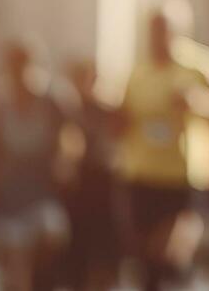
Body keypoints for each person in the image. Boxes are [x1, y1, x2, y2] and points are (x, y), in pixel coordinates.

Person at [115, 1, 209, 291]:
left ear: (180, 30)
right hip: (140, 176)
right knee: (146, 264)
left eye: (164, 28)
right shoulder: (139, 70)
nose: (158, 36)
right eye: (153, 29)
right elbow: (123, 120)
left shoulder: (203, 64)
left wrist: (200, 103)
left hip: (184, 180)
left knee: (171, 256)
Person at [0, 39, 71, 291]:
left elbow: (71, 142)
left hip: (43, 201)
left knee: (39, 239)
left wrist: (64, 164)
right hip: (8, 202)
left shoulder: (52, 103)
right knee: (11, 249)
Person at [62, 58, 119, 291]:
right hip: (78, 189)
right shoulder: (68, 110)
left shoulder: (107, 109)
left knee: (102, 250)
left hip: (102, 184)